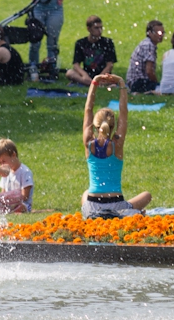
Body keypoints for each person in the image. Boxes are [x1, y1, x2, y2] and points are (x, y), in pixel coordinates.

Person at [81, 73, 151, 219]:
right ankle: (130, 213)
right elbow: (124, 112)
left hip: (93, 207)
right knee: (147, 195)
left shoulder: (88, 142)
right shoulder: (117, 145)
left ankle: (103, 214)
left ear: (95, 125)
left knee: (85, 193)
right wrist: (121, 84)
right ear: (113, 126)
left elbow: (88, 109)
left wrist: (95, 82)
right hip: (117, 205)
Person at [66, 15, 117, 86]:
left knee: (115, 78)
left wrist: (100, 77)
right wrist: (84, 75)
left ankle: (91, 84)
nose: (100, 31)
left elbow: (110, 65)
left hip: (103, 75)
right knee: (70, 73)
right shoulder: (80, 43)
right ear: (88, 29)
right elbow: (76, 64)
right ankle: (93, 84)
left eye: (101, 27)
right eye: (96, 28)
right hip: (87, 75)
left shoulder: (108, 42)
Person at [0, 138, 34, 212]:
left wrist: (11, 200)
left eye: (4, 161)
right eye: (0, 163)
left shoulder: (25, 172)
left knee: (21, 207)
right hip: (9, 204)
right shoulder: (5, 173)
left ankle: (14, 211)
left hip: (22, 204)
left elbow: (25, 196)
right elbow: (3, 192)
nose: (2, 165)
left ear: (13, 155)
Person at [126, 20, 164, 93]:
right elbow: (149, 71)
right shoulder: (149, 46)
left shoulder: (146, 43)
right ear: (149, 33)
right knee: (163, 89)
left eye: (163, 33)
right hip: (139, 83)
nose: (161, 35)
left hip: (134, 82)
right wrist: (155, 83)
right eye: (159, 33)